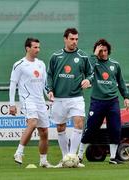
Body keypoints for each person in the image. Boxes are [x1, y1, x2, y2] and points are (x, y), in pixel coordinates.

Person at [47, 28, 93, 168]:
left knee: (79, 122)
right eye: (72, 39)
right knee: (61, 127)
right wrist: (50, 90)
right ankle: (65, 158)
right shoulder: (55, 56)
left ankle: (73, 157)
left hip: (76, 97)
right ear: (65, 39)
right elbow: (49, 75)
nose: (74, 41)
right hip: (59, 98)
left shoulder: (83, 56)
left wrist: (88, 80)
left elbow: (91, 74)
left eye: (76, 39)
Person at [80, 38, 129, 164]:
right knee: (91, 129)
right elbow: (89, 69)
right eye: (100, 50)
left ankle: (113, 157)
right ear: (97, 51)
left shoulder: (115, 65)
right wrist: (94, 55)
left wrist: (126, 97)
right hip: (97, 101)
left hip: (112, 101)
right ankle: (79, 156)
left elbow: (121, 82)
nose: (103, 53)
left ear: (109, 51)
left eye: (105, 50)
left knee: (115, 129)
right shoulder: (94, 63)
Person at [9, 38, 53, 168]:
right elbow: (13, 84)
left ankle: (43, 161)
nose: (38, 50)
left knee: (44, 131)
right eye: (35, 47)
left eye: (39, 47)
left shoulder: (41, 64)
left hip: (40, 100)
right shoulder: (19, 64)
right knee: (32, 122)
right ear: (27, 48)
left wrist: (49, 94)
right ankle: (19, 152)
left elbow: (45, 84)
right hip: (27, 99)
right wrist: (12, 104)